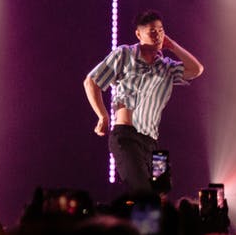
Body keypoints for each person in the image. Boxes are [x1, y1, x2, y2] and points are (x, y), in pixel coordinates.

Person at [84, 10, 204, 195]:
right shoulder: (125, 54)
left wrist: (172, 46)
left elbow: (196, 69)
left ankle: (145, 222)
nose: (158, 36)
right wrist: (102, 116)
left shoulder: (166, 67)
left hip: (152, 142)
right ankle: (142, 223)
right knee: (142, 193)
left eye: (161, 30)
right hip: (127, 136)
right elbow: (91, 81)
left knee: (162, 191)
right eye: (152, 32)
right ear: (139, 34)